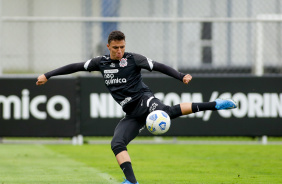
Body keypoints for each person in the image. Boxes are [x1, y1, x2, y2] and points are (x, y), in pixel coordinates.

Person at [36, 30, 237, 184]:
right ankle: (131, 181)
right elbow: (75, 66)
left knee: (164, 112)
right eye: (115, 47)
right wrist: (48, 75)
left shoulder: (133, 59)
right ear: (108, 46)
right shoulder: (101, 63)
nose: (119, 51)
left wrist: (180, 76)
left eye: (122, 46)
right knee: (116, 143)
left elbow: (159, 66)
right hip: (132, 113)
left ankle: (215, 104)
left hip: (145, 100)